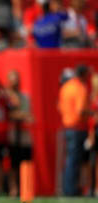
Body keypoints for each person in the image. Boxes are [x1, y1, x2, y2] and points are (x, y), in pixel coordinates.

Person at [58, 64, 90, 196]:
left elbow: (59, 107)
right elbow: (81, 111)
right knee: (76, 160)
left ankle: (68, 188)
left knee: (70, 159)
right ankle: (72, 190)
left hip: (68, 127)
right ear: (83, 75)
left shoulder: (66, 87)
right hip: (78, 127)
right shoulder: (80, 88)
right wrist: (93, 114)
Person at [5, 70, 33, 197]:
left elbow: (28, 114)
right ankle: (13, 188)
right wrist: (20, 115)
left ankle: (25, 187)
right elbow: (9, 114)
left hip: (24, 135)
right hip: (11, 134)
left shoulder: (25, 97)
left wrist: (21, 115)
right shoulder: (6, 96)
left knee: (25, 161)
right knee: (13, 163)